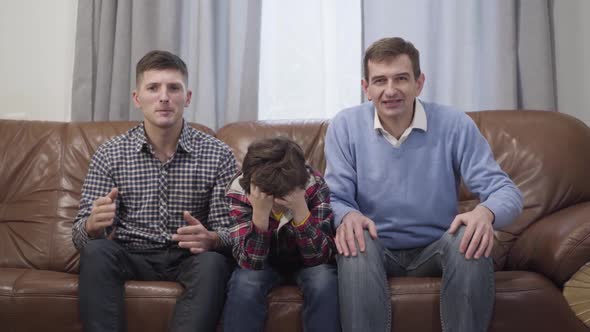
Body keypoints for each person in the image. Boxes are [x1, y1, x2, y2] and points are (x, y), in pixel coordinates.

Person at [324, 37, 523, 332]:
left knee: (470, 236)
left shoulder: (454, 124)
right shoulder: (345, 126)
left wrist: (486, 213)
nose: (390, 90)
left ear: (419, 82)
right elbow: (334, 199)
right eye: (380, 80)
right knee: (355, 239)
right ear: (366, 89)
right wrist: (347, 215)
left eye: (401, 78)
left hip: (439, 246)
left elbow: (507, 193)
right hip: (375, 247)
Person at [72, 50, 237, 332]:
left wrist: (212, 238)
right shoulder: (110, 153)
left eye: (174, 88)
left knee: (214, 263)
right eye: (153, 88)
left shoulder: (218, 154)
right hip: (130, 253)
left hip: (189, 257)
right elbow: (78, 237)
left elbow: (232, 231)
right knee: (96, 251)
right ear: (137, 98)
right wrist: (90, 225)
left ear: (187, 98)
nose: (164, 97)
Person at [222, 137, 341, 332]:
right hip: (263, 261)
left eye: (282, 195)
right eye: (270, 195)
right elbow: (249, 262)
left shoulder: (313, 185)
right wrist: (260, 215)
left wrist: (301, 210)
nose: (276, 202)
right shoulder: (240, 190)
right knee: (245, 282)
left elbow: (320, 256)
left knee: (324, 281)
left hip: (307, 261)